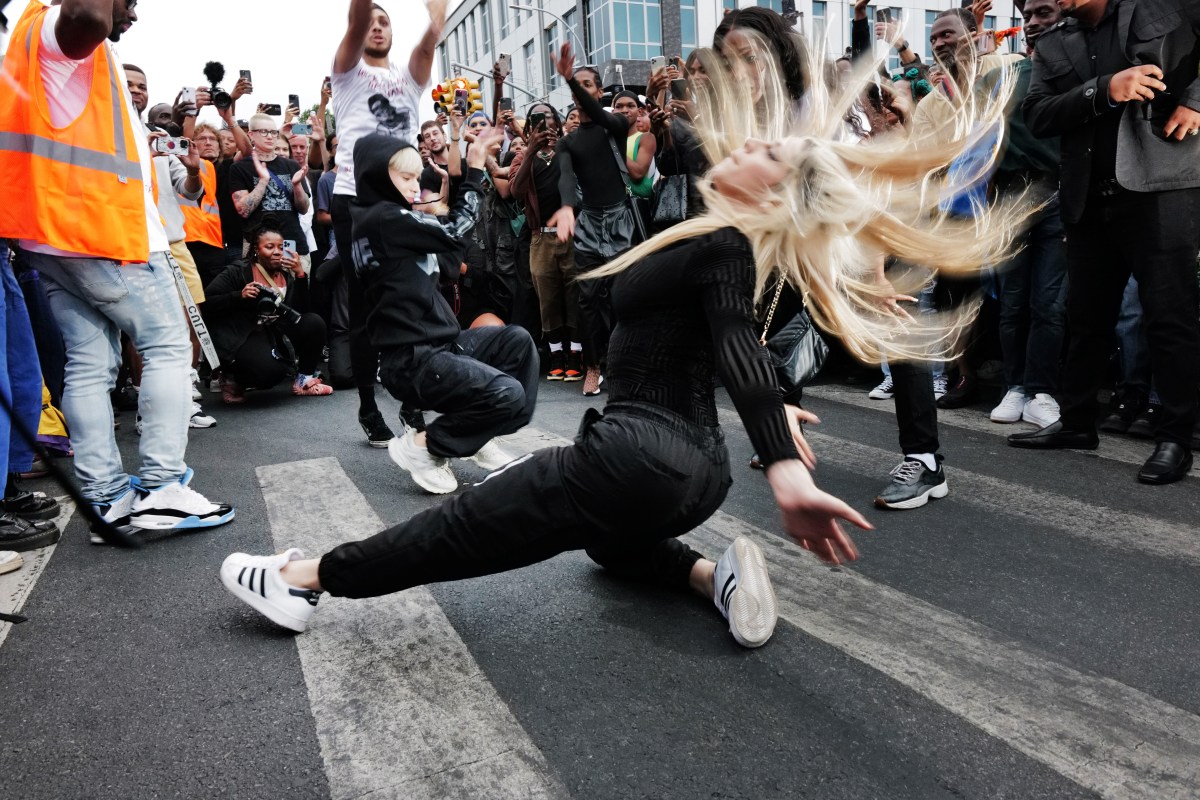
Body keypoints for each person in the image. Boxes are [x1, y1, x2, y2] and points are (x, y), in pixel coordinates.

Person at [218, 38, 1019, 652]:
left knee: (465, 527)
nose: (744, 149)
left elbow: (738, 346)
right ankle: (714, 574)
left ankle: (302, 579)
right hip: (687, 477)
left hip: (640, 452)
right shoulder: (728, 247)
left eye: (767, 154)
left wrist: (781, 466)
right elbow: (746, 347)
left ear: (776, 191)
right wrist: (780, 402)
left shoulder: (727, 245)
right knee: (610, 545)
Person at [0, 0, 233, 539]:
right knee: (170, 347)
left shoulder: (32, 37)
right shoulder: (64, 35)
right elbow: (88, 13)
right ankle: (163, 489)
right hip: (104, 233)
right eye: (129, 1)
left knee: (88, 365)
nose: (132, 12)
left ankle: (107, 497)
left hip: (53, 234)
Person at [1012, 0, 1200, 485]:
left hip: (1160, 187)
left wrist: (1196, 100)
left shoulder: (1165, 7)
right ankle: (1077, 424)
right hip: (1087, 197)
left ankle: (1176, 438)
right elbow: (1036, 114)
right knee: (1085, 318)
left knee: (1169, 318)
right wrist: (1104, 91)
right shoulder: (1053, 40)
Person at [346, 130, 537, 495]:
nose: (414, 188)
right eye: (405, 178)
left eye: (417, 178)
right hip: (413, 358)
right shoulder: (380, 218)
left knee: (516, 342)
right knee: (507, 394)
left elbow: (450, 263)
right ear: (375, 174)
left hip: (440, 346)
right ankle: (424, 445)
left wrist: (437, 218)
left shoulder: (389, 220)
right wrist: (476, 169)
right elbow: (456, 232)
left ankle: (473, 436)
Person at [331, 0, 446, 448]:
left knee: (412, 300)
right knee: (364, 308)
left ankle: (412, 401)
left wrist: (436, 20)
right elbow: (357, 19)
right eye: (371, 23)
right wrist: (363, 14)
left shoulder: (407, 79)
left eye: (386, 22)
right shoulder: (347, 72)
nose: (377, 28)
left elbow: (424, 50)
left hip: (403, 201)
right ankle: (367, 404)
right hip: (354, 202)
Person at [985, 0, 1067, 429]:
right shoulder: (1000, 77)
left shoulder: (1078, 75)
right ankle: (1014, 387)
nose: (1035, 23)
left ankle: (1041, 390)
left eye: (1045, 13)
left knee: (1049, 305)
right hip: (1009, 201)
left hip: (1059, 197)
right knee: (1013, 303)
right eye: (1029, 16)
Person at [547, 47, 640, 397]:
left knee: (621, 297)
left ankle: (622, 364)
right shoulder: (567, 142)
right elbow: (566, 178)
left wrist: (570, 76)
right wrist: (568, 207)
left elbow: (601, 118)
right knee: (588, 300)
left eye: (589, 85)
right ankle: (593, 366)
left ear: (600, 92)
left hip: (619, 221)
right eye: (577, 86)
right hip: (588, 224)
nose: (582, 90)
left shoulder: (613, 125)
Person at [202, 229, 332, 402]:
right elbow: (206, 302)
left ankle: (303, 380)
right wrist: (238, 296)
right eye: (269, 247)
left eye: (280, 247)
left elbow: (300, 312)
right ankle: (232, 378)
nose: (277, 252)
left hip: (274, 331)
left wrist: (300, 275)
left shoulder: (286, 274)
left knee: (314, 323)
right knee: (270, 374)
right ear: (256, 249)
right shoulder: (238, 271)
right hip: (244, 335)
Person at [509, 103, 584, 381]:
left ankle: (576, 354)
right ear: (529, 127)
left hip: (572, 234)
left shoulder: (569, 150)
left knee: (574, 295)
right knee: (548, 300)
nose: (545, 122)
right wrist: (529, 150)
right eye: (537, 119)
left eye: (550, 117)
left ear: (558, 122)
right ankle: (555, 355)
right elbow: (516, 191)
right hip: (540, 237)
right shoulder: (522, 157)